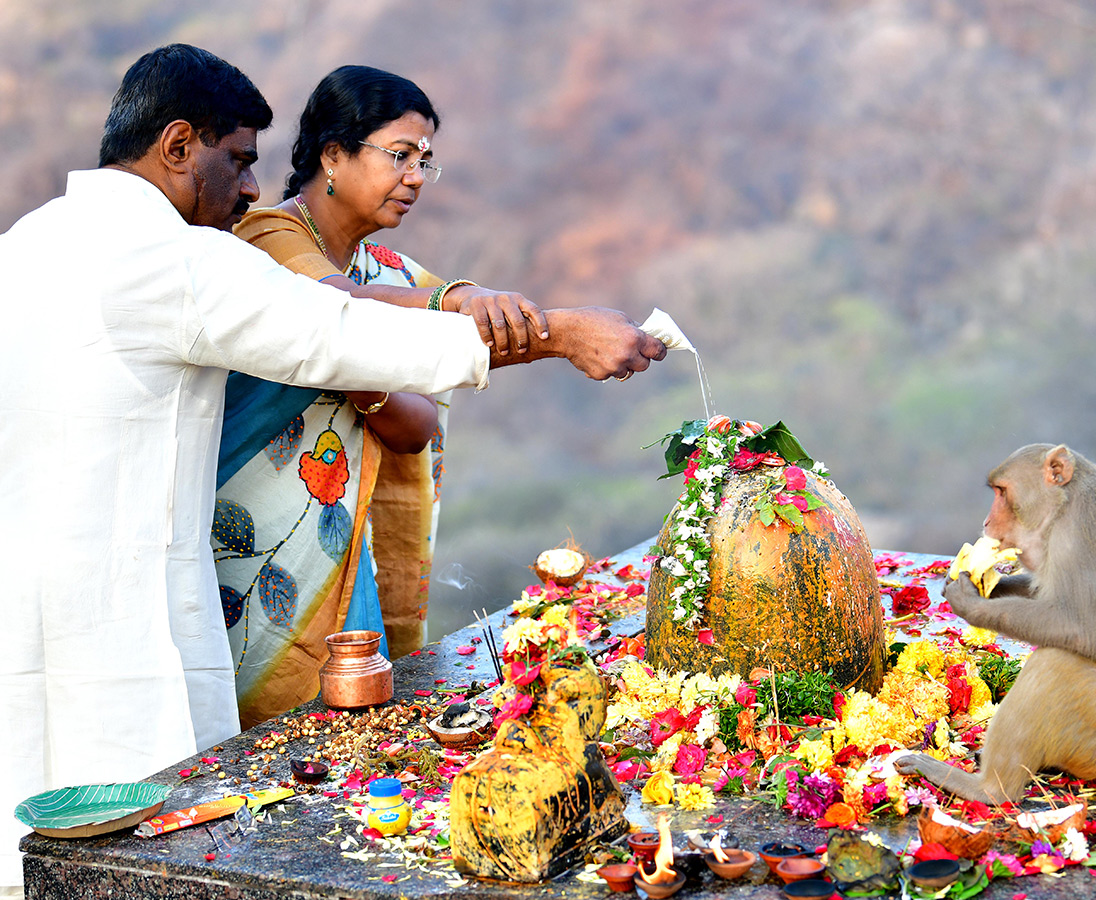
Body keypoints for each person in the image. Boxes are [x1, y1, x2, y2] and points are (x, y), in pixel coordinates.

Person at [0, 43, 664, 896]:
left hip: (24, 610)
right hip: (131, 635)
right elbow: (337, 333)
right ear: (176, 145)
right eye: (236, 160)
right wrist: (563, 330)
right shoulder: (173, 258)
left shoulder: (24, 245)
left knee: (33, 847)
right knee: (146, 859)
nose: (248, 189)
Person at [218, 65, 664, 728]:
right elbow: (340, 316)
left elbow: (417, 422)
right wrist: (547, 327)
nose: (417, 178)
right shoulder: (266, 238)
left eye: (426, 161)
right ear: (333, 154)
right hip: (252, 557)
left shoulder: (389, 275)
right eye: (400, 156)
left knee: (350, 742)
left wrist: (363, 373)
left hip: (341, 561)